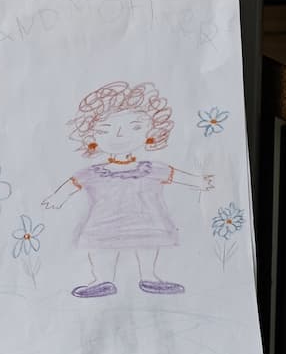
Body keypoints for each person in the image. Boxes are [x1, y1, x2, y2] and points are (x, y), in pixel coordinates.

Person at [41, 80, 214, 297]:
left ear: (151, 132)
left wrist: (199, 182)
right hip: (104, 222)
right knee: (101, 250)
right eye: (106, 129)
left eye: (135, 127)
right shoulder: (93, 172)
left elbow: (175, 176)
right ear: (92, 137)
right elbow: (73, 183)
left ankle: (149, 277)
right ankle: (102, 280)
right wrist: (57, 197)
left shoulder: (152, 169)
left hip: (146, 220)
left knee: (148, 247)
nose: (120, 135)